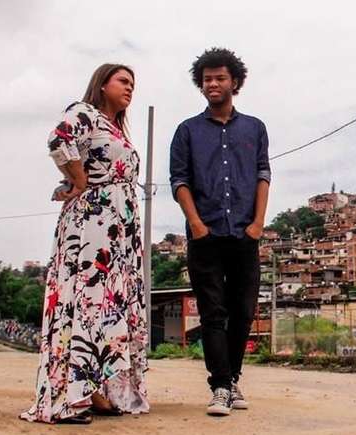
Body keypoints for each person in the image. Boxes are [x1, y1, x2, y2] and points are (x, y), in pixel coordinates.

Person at [21, 64, 150, 424]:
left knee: (107, 307)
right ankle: (71, 394)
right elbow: (58, 139)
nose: (130, 88)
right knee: (88, 302)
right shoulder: (85, 112)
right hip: (92, 227)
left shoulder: (113, 128)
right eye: (123, 81)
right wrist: (77, 179)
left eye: (133, 84)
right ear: (102, 84)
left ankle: (95, 388)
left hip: (116, 233)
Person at [169, 47, 271, 416]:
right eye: (207, 79)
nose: (213, 83)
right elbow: (179, 180)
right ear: (201, 84)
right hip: (205, 235)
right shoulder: (187, 131)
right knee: (213, 312)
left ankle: (232, 378)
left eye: (220, 78)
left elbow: (263, 175)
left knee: (243, 311)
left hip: (245, 233)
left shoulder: (255, 128)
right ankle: (220, 387)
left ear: (235, 82)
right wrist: (196, 224)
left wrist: (258, 224)